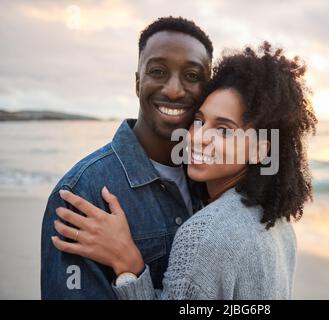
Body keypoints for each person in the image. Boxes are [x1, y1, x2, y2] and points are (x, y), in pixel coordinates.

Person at [52, 42, 317, 299]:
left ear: (260, 149)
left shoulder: (204, 233)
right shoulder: (278, 222)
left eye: (223, 131)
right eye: (200, 121)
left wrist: (128, 265)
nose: (199, 137)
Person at [40, 16, 213, 299]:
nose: (173, 89)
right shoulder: (81, 193)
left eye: (192, 76)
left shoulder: (213, 181)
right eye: (158, 71)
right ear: (137, 82)